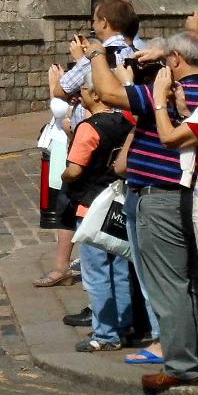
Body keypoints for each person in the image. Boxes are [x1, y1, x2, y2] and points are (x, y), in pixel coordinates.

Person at [90, 31, 198, 394]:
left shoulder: (172, 93)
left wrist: (94, 54)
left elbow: (107, 93)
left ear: (175, 62)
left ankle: (182, 365)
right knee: (183, 284)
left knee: (169, 286)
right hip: (164, 194)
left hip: (161, 197)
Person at [59, 78, 135, 352]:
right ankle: (125, 326)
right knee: (120, 268)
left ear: (94, 93)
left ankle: (104, 334)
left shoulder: (88, 128)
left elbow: (75, 170)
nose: (78, 95)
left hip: (90, 207)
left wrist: (62, 175)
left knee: (96, 274)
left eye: (81, 90)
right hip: (117, 202)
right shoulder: (126, 123)